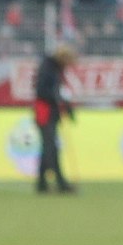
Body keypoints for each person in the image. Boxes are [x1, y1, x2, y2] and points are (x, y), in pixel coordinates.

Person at [33, 43, 77, 195]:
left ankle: (41, 183)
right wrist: (57, 100)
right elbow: (42, 90)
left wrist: (66, 107)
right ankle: (60, 182)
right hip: (44, 112)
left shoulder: (54, 68)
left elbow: (57, 91)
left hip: (51, 112)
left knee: (48, 149)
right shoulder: (48, 68)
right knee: (51, 148)